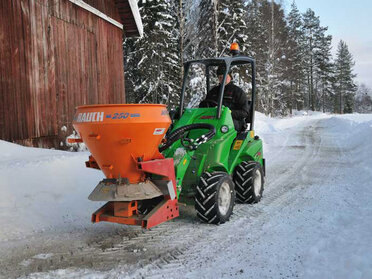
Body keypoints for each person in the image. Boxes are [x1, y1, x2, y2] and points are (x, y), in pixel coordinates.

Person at [200, 65, 250, 132]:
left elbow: (244, 112)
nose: (223, 79)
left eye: (225, 77)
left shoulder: (238, 92)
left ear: (230, 77)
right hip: (214, 120)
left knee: (221, 128)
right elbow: (206, 105)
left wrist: (229, 112)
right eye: (220, 77)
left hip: (232, 121)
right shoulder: (213, 92)